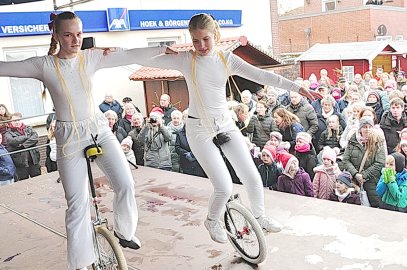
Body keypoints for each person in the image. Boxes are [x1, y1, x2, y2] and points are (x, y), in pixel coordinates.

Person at [0, 11, 170, 270]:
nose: (75, 40)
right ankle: (81, 262)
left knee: (125, 182)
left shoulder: (90, 58)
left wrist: (161, 49)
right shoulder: (43, 65)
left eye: (79, 34)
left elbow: (128, 56)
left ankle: (124, 232)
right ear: (56, 35)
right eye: (67, 35)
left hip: (98, 129)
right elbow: (6, 67)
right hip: (69, 138)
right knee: (77, 204)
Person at [135, 13, 318, 244]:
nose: (201, 46)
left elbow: (261, 75)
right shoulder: (185, 60)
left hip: (224, 124)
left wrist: (296, 87)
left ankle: (260, 216)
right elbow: (145, 58)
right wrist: (111, 52)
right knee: (223, 186)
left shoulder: (226, 59)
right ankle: (212, 220)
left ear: (215, 35)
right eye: (195, 41)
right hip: (199, 129)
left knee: (252, 177)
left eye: (206, 39)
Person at [341, 118, 385, 207]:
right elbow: (345, 159)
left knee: (374, 205)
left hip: (372, 180)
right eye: (364, 127)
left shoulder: (377, 141)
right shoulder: (353, 140)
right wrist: (355, 174)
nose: (367, 129)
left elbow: (380, 162)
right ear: (360, 128)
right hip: (354, 180)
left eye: (369, 127)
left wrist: (364, 175)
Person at [5, 113, 41, 181]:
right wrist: (26, 137)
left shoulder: (28, 128)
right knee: (23, 183)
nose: (17, 122)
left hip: (33, 160)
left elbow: (35, 137)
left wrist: (23, 145)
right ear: (11, 121)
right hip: (20, 163)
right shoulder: (8, 133)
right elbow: (13, 141)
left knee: (38, 180)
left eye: (18, 120)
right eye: (15, 121)